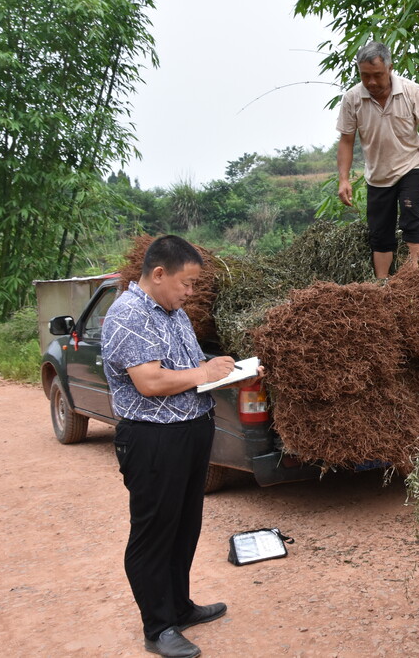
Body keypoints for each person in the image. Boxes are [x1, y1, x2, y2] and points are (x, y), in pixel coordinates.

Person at [102, 235, 263, 658]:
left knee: (184, 525)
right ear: (158, 274)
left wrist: (225, 374)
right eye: (186, 283)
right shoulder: (129, 314)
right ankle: (158, 627)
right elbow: (151, 381)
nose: (190, 292)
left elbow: (188, 372)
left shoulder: (171, 312)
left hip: (190, 431)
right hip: (154, 439)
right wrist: (203, 372)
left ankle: (179, 606)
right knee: (154, 533)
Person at [336, 40, 419, 279]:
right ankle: (383, 284)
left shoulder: (411, 91)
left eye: (377, 75)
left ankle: (415, 277)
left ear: (390, 68)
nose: (371, 82)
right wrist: (344, 179)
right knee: (379, 231)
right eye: (365, 76)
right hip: (377, 175)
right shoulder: (352, 98)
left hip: (410, 165)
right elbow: (346, 140)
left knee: (410, 215)